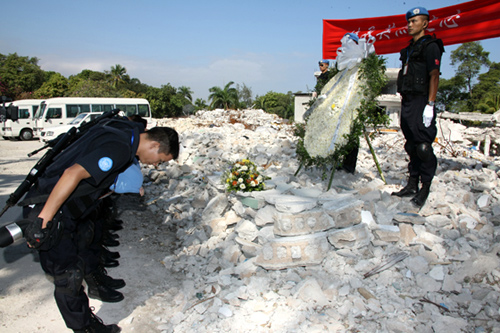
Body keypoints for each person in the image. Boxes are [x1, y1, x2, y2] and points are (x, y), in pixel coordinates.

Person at [22, 118, 179, 333]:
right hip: (50, 208)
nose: (154, 165)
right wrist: (43, 220)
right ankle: (85, 328)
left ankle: (86, 320)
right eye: (159, 160)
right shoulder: (121, 148)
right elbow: (73, 173)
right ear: (155, 145)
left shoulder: (125, 133)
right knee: (68, 276)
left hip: (64, 208)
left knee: (76, 261)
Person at [393, 6, 444, 207]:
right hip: (407, 101)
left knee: (423, 147)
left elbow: (434, 75)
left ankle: (426, 186)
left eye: (414, 21)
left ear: (425, 23)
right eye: (408, 21)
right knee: (411, 145)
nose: (410, 25)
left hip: (423, 100)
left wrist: (430, 104)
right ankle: (412, 184)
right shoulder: (408, 49)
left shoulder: (430, 46)